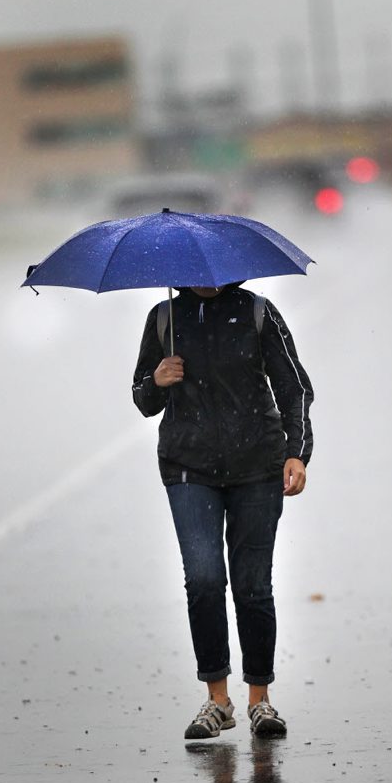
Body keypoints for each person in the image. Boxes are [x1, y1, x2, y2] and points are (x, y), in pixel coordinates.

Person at [132, 283, 314, 738]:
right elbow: (142, 399)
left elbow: (294, 388)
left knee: (253, 584)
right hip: (189, 468)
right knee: (205, 579)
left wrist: (298, 452)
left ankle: (260, 700)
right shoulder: (164, 319)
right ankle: (217, 701)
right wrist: (158, 380)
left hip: (258, 466)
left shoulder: (257, 313)